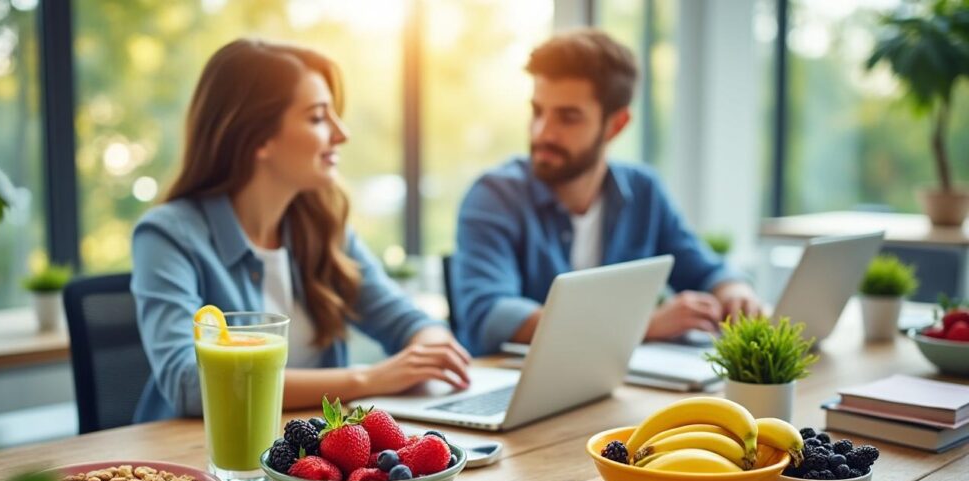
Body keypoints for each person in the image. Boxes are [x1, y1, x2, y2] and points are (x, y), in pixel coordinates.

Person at [131, 39, 469, 422]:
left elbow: (411, 324)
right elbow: (190, 383)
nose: (341, 134)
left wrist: (430, 354)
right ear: (258, 138)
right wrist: (367, 379)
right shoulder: (168, 235)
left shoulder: (321, 225)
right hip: (192, 465)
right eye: (318, 118)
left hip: (307, 460)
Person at [452, 29, 761, 357]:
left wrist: (734, 291)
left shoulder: (644, 190)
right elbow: (490, 315)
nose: (542, 132)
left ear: (616, 125)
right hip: (512, 387)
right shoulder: (494, 195)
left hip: (615, 384)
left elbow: (704, 269)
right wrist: (641, 325)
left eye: (567, 117)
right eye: (538, 111)